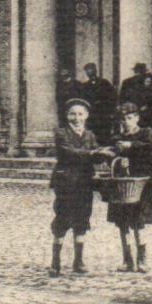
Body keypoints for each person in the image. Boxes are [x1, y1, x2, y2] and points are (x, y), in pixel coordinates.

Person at [48, 98, 114, 276]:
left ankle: (78, 260)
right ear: (67, 116)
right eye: (72, 114)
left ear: (86, 116)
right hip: (66, 183)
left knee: (82, 219)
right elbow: (68, 153)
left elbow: (95, 155)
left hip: (84, 183)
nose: (76, 118)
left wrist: (106, 154)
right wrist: (93, 153)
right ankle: (55, 262)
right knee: (63, 218)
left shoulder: (90, 135)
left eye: (80, 114)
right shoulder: (61, 133)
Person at [105, 100, 152, 272]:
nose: (126, 122)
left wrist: (132, 147)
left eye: (129, 118)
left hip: (140, 184)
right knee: (122, 222)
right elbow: (111, 157)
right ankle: (127, 259)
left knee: (138, 222)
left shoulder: (146, 133)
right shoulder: (118, 138)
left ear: (137, 118)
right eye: (123, 119)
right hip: (122, 186)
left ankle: (141, 259)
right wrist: (115, 158)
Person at [73, 63, 117, 143]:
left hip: (103, 114)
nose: (89, 72)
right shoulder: (84, 86)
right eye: (87, 70)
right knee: (92, 135)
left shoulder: (105, 83)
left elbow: (112, 98)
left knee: (104, 135)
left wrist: (111, 112)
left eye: (90, 69)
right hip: (92, 116)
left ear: (95, 70)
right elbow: (83, 101)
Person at [119, 62, 152, 140]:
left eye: (140, 71)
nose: (138, 74)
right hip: (132, 114)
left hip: (145, 115)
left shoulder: (149, 82)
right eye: (138, 71)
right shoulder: (127, 82)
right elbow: (122, 99)